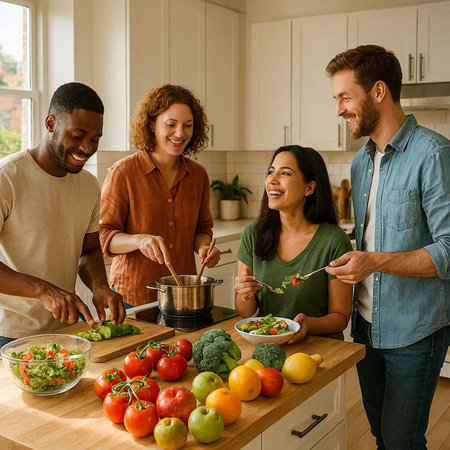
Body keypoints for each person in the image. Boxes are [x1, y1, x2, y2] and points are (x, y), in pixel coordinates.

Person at [325, 44, 450, 449]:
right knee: (382, 434)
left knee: (402, 441)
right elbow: (372, 240)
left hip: (414, 330)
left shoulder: (434, 154)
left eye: (345, 97)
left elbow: (449, 250)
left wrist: (373, 262)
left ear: (378, 91)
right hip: (364, 326)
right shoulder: (361, 161)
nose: (339, 109)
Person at [0, 82, 126, 347]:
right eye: (77, 135)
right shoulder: (7, 178)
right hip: (9, 335)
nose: (87, 148)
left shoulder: (89, 186)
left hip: (68, 332)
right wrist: (45, 291)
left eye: (95, 139)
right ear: (50, 123)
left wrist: (100, 286)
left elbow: (89, 251)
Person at [99, 84, 220, 307]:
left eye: (188, 126)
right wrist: (139, 240)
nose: (180, 133)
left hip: (182, 296)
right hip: (133, 298)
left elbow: (202, 229)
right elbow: (105, 237)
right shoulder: (123, 173)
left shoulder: (198, 175)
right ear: (152, 124)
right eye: (171, 125)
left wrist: (204, 248)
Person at [234, 145, 353, 343]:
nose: (272, 180)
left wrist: (308, 324)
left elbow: (340, 318)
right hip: (268, 345)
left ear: (309, 188)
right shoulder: (253, 234)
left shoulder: (334, 241)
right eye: (271, 172)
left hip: (319, 348)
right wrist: (245, 295)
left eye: (285, 173)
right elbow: (246, 313)